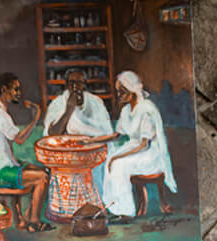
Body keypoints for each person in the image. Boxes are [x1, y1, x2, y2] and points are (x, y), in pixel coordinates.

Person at [91, 70, 177, 218]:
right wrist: (93, 140)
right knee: (109, 159)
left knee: (119, 164)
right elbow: (117, 135)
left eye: (122, 92)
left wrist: (118, 158)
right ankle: (114, 207)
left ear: (131, 90)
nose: (119, 95)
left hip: (149, 154)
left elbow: (144, 144)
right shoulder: (125, 110)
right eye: (118, 92)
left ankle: (125, 211)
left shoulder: (146, 109)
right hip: (134, 148)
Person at [0, 73, 52, 232]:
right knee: (43, 177)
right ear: (4, 89)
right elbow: (19, 139)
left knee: (40, 170)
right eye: (15, 89)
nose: (19, 93)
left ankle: (22, 219)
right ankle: (34, 221)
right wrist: (35, 119)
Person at [43, 69, 113, 137]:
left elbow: (106, 131)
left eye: (79, 82)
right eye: (71, 82)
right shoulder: (57, 103)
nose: (75, 86)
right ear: (66, 85)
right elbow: (52, 134)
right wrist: (68, 111)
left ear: (84, 85)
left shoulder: (95, 101)